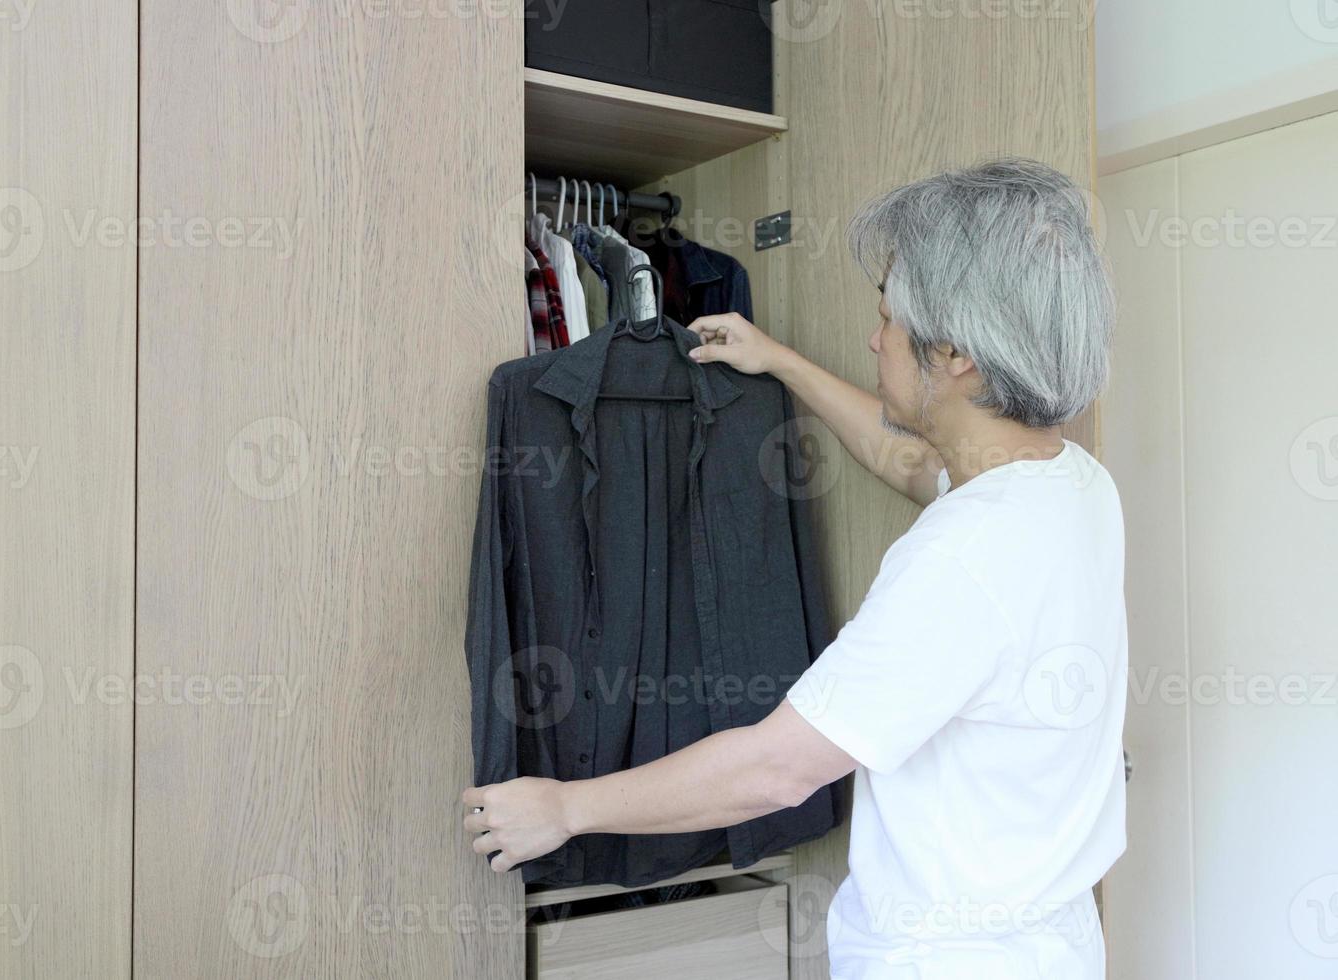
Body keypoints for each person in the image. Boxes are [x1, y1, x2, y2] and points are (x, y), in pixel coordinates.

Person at [461, 158, 1126, 979]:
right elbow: (919, 466)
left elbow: (779, 768)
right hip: (1053, 944)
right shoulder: (1074, 485)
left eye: (887, 317)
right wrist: (779, 361)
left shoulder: (959, 561)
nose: (873, 336)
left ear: (955, 353)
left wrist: (565, 806)